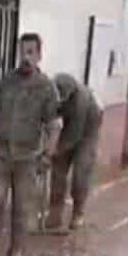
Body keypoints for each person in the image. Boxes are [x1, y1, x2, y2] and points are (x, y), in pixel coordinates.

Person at [0, 31, 62, 256]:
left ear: (39, 55)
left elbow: (54, 125)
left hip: (28, 157)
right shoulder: (6, 81)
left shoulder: (47, 88)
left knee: (22, 208)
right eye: (22, 52)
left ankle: (16, 251)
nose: (25, 57)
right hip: (0, 152)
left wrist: (48, 154)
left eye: (31, 52)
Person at [47, 72, 104, 232]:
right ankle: (54, 213)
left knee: (81, 172)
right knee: (57, 172)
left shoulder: (82, 101)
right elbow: (48, 118)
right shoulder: (50, 91)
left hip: (87, 132)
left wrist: (53, 151)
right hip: (67, 129)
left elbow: (73, 136)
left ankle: (78, 212)